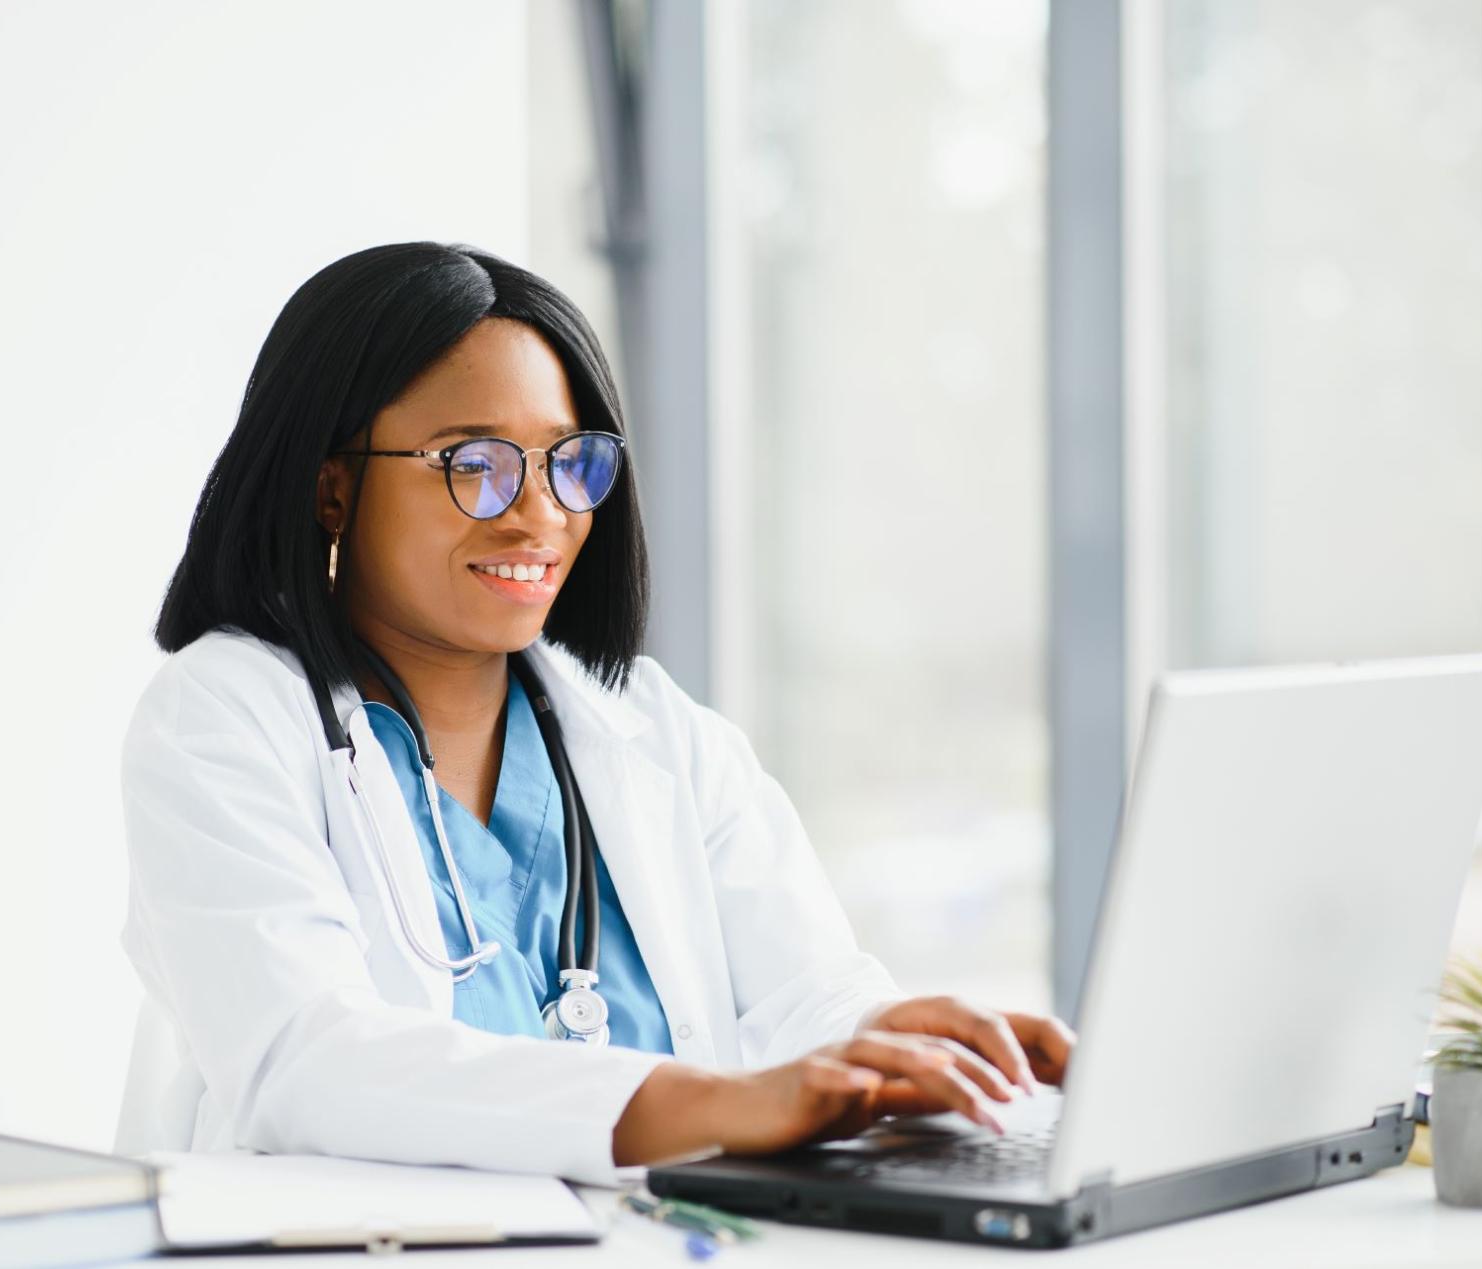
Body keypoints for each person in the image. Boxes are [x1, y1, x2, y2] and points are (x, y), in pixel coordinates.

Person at [116, 242, 1073, 1184]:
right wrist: (707, 1105)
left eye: (571, 463)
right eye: (474, 462)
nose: (539, 514)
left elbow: (804, 993)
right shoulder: (222, 720)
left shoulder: (657, 732)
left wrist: (882, 1044)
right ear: (332, 488)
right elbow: (306, 1061)